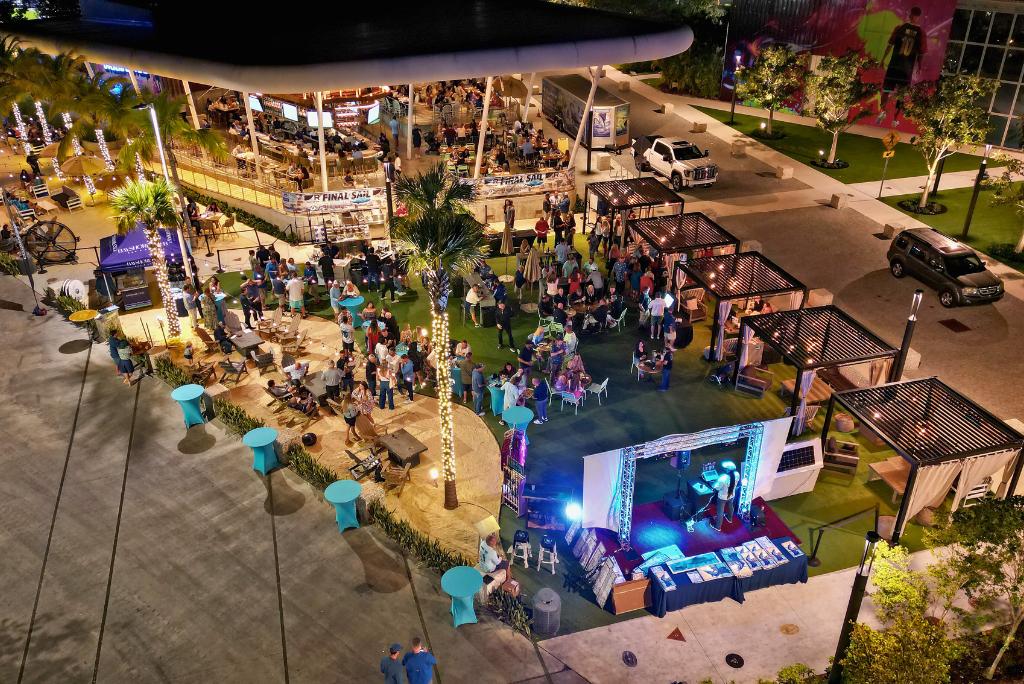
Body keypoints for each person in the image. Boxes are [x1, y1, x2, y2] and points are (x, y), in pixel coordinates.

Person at [877, 6, 926, 125]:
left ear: (910, 15)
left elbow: (890, 45)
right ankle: (895, 118)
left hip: (895, 66)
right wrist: (919, 66)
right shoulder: (921, 33)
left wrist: (883, 59)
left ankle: (884, 113)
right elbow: (921, 53)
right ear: (919, 17)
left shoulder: (900, 28)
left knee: (887, 90)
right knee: (901, 94)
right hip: (906, 70)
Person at [712, 462, 739, 532]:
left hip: (722, 497)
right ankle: (729, 519)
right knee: (730, 506)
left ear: (728, 470)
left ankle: (717, 527)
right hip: (731, 495)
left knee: (720, 511)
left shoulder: (723, 478)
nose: (724, 469)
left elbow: (717, 488)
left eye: (725, 468)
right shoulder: (737, 474)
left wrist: (715, 482)